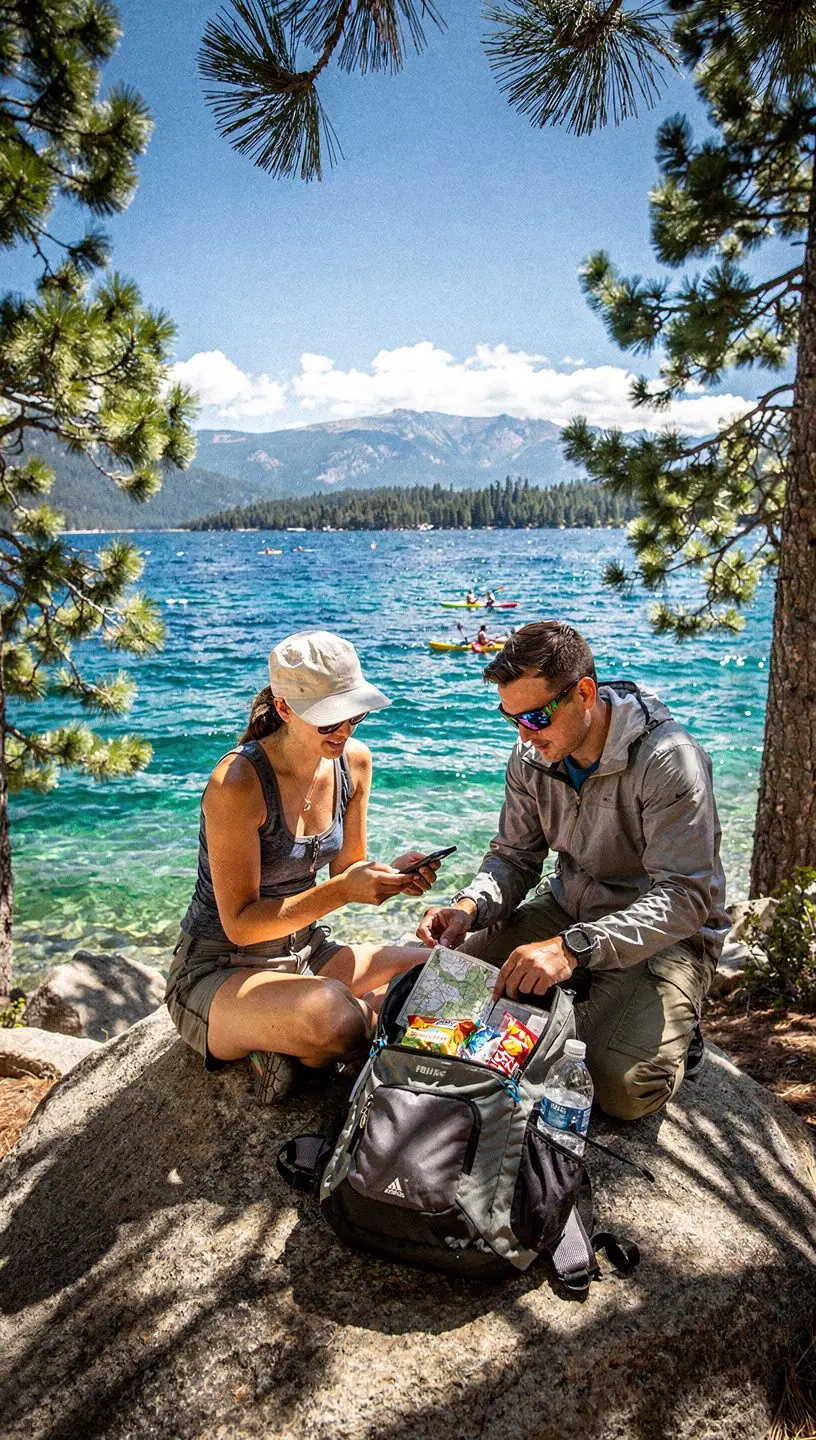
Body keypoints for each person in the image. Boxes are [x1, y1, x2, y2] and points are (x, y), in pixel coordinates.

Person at [417, 620, 730, 1121]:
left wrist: (572, 950)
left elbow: (684, 898)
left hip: (663, 936)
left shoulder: (670, 760)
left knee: (621, 1089)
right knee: (438, 1001)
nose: (524, 733)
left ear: (584, 692)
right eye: (510, 717)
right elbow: (513, 857)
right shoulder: (532, 753)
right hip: (567, 909)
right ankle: (577, 1002)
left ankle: (670, 1023)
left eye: (536, 716)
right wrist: (468, 906)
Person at [166, 630, 434, 1102]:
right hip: (222, 967)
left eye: (353, 713)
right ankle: (294, 1035)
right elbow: (242, 924)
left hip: (307, 954)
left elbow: (346, 867)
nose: (345, 729)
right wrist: (345, 891)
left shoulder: (354, 762)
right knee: (337, 1019)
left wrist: (390, 877)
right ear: (285, 709)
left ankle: (293, 1039)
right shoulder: (237, 783)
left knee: (438, 971)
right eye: (328, 720)